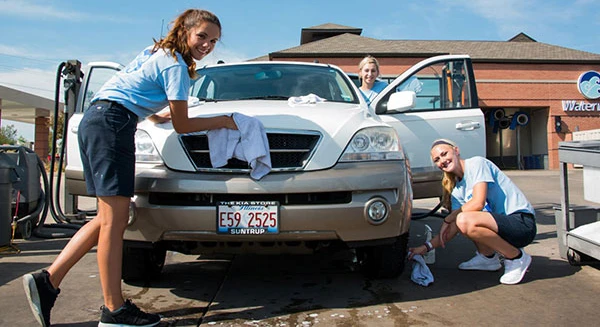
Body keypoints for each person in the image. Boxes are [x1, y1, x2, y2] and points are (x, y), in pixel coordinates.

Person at [22, 9, 237, 327]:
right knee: (115, 222)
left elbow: (128, 87)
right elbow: (183, 124)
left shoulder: (157, 52)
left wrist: (152, 115)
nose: (207, 44)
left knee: (105, 219)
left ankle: (48, 280)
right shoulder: (175, 64)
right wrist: (223, 121)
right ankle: (114, 310)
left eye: (214, 41)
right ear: (185, 31)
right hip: (113, 126)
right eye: (202, 36)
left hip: (99, 118)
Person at [409, 139, 536, 285]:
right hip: (501, 229)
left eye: (444, 154)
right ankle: (487, 258)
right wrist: (425, 247)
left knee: (464, 218)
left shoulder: (477, 164)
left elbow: (478, 202)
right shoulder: (457, 190)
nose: (442, 161)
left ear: (456, 151)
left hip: (521, 224)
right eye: (437, 159)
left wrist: (448, 218)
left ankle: (516, 257)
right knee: (462, 220)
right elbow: (454, 228)